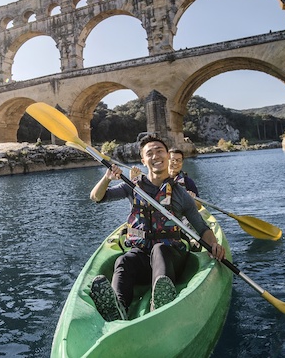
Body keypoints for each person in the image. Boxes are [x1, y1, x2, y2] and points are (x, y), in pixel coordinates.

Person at [87, 135, 225, 321]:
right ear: (143, 161)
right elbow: (96, 197)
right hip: (143, 256)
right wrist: (106, 178)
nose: (155, 156)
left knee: (160, 250)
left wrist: (214, 245)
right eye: (149, 153)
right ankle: (118, 307)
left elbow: (201, 228)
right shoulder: (132, 187)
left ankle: (160, 303)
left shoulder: (180, 194)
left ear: (168, 156)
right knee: (125, 260)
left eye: (159, 151)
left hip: (172, 259)